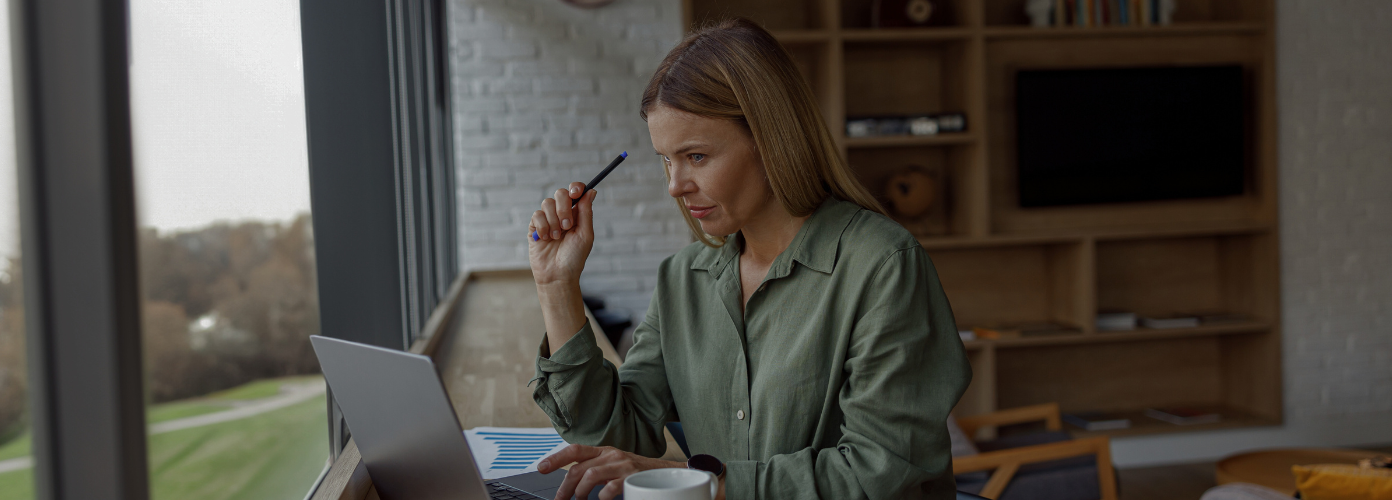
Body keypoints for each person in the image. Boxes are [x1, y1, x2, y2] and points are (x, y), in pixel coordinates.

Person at [524, 18, 971, 500]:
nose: (675, 185)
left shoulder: (882, 266)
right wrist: (556, 286)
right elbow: (617, 448)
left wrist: (709, 486)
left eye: (695, 156)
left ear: (769, 139)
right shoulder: (682, 279)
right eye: (666, 160)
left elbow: (881, 470)